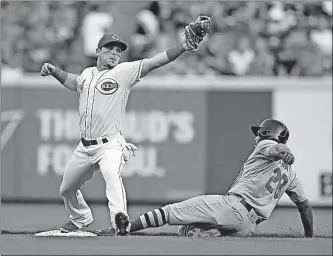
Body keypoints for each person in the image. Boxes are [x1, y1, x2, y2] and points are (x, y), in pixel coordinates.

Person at [40, 17, 210, 236]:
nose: (115, 54)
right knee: (66, 189)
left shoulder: (123, 72)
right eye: (110, 49)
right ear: (98, 51)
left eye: (118, 51)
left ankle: (120, 220)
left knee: (111, 174)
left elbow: (153, 62)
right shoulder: (87, 74)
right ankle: (80, 216)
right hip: (84, 147)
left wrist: (183, 47)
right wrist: (54, 71)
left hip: (109, 144)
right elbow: (75, 83)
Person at [129, 118, 314, 238]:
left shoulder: (266, 144)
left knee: (169, 212)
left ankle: (125, 228)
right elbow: (304, 207)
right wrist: (309, 237)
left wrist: (286, 152)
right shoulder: (291, 175)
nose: (256, 137)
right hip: (248, 227)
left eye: (259, 133)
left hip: (233, 207)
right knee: (186, 230)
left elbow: (278, 148)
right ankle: (210, 234)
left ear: (267, 134)